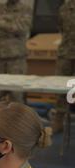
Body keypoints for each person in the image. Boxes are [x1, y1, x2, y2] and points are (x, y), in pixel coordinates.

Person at [0, 0, 32, 102]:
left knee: (16, 93)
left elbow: (22, 29)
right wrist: (11, 30)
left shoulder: (25, 9)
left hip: (16, 57)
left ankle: (16, 117)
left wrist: (1, 24)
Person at [52, 0, 75, 134]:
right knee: (61, 87)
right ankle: (58, 120)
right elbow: (60, 27)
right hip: (66, 52)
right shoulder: (64, 7)